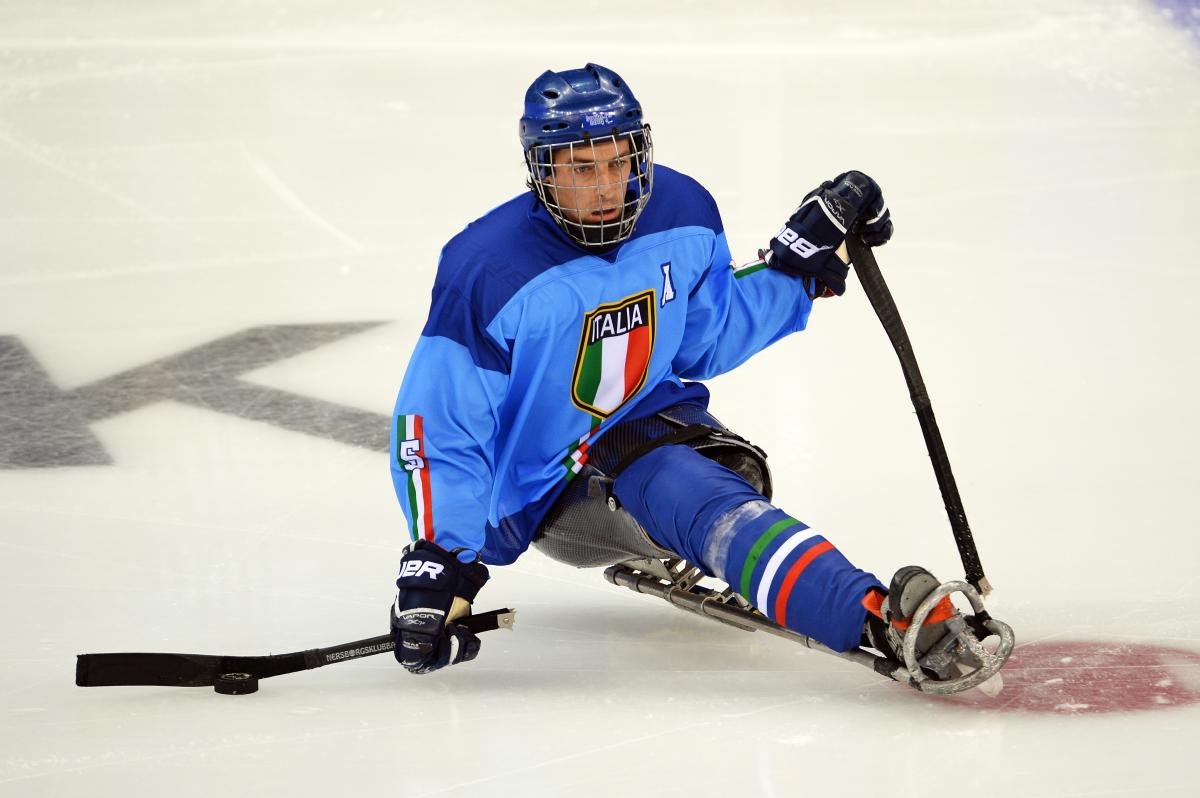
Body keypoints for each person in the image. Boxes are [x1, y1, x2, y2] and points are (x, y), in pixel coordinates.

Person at [388, 63, 962, 679]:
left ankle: (790, 575)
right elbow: (442, 424)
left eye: (618, 160)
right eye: (582, 168)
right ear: (542, 170)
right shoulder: (487, 268)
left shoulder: (682, 210)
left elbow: (704, 340)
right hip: (542, 480)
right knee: (688, 489)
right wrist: (439, 560)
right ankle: (873, 616)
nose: (608, 185)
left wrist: (800, 265)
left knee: (726, 476)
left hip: (646, 419)